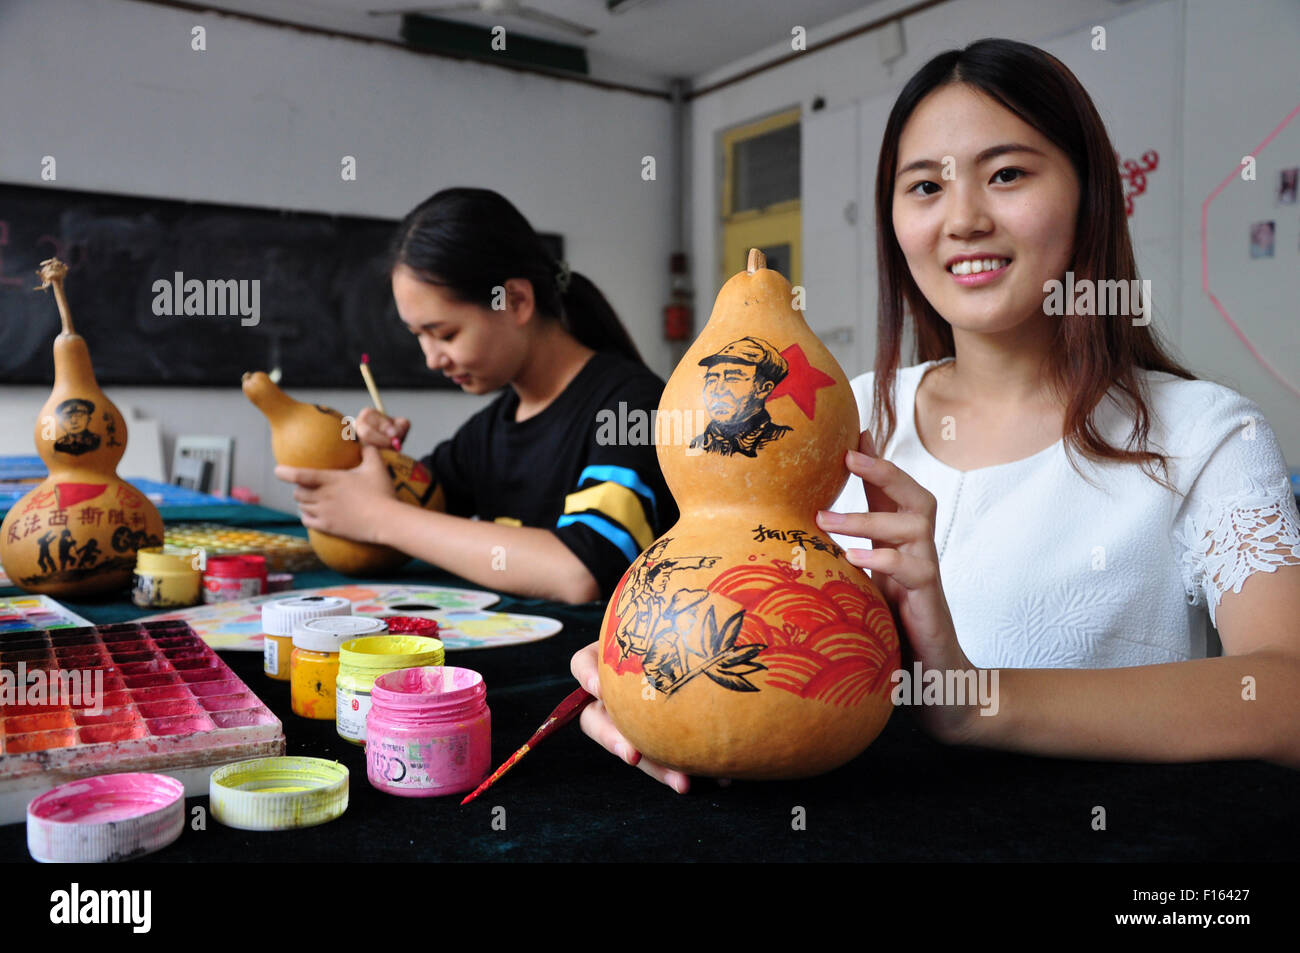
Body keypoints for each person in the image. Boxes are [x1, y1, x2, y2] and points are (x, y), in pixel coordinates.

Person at [571, 38, 1300, 791]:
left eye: (1007, 174)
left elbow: (1288, 697)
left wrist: (973, 698)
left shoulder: (1206, 436)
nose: (963, 219)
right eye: (924, 187)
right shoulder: (828, 415)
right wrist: (649, 678)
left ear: (1090, 195)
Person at [274, 188, 677, 604]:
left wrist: (381, 517)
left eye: (445, 334)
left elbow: (580, 571)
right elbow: (413, 522)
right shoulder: (488, 432)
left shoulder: (631, 408)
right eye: (419, 337)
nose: (432, 359)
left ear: (516, 301)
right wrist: (374, 464)